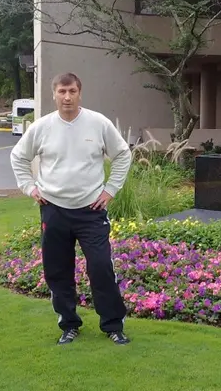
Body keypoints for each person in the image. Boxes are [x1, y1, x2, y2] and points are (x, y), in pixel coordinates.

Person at [10, 72, 132, 346]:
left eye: (72, 91)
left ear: (79, 93)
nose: (67, 97)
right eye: (62, 91)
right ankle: (69, 324)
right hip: (54, 210)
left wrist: (110, 190)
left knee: (100, 267)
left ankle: (113, 325)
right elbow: (18, 157)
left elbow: (123, 154)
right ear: (54, 94)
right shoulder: (42, 127)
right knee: (58, 271)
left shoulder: (98, 123)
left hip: (91, 211)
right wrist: (30, 187)